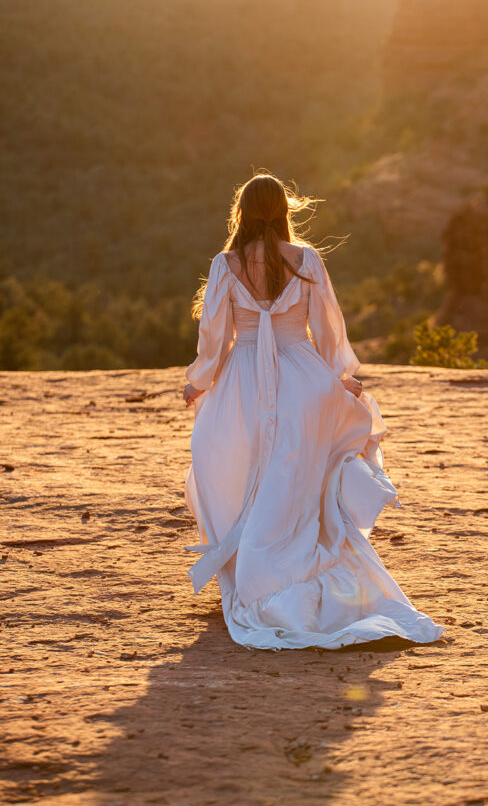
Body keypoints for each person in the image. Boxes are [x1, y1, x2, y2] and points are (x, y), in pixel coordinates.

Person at [182, 171, 444, 650]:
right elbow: (329, 330)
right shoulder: (306, 259)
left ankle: (253, 573)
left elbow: (215, 340)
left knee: (232, 465)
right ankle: (292, 563)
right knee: (295, 478)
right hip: (301, 379)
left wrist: (198, 382)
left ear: (241, 212)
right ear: (284, 209)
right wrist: (343, 380)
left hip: (242, 379)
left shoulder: (226, 263)